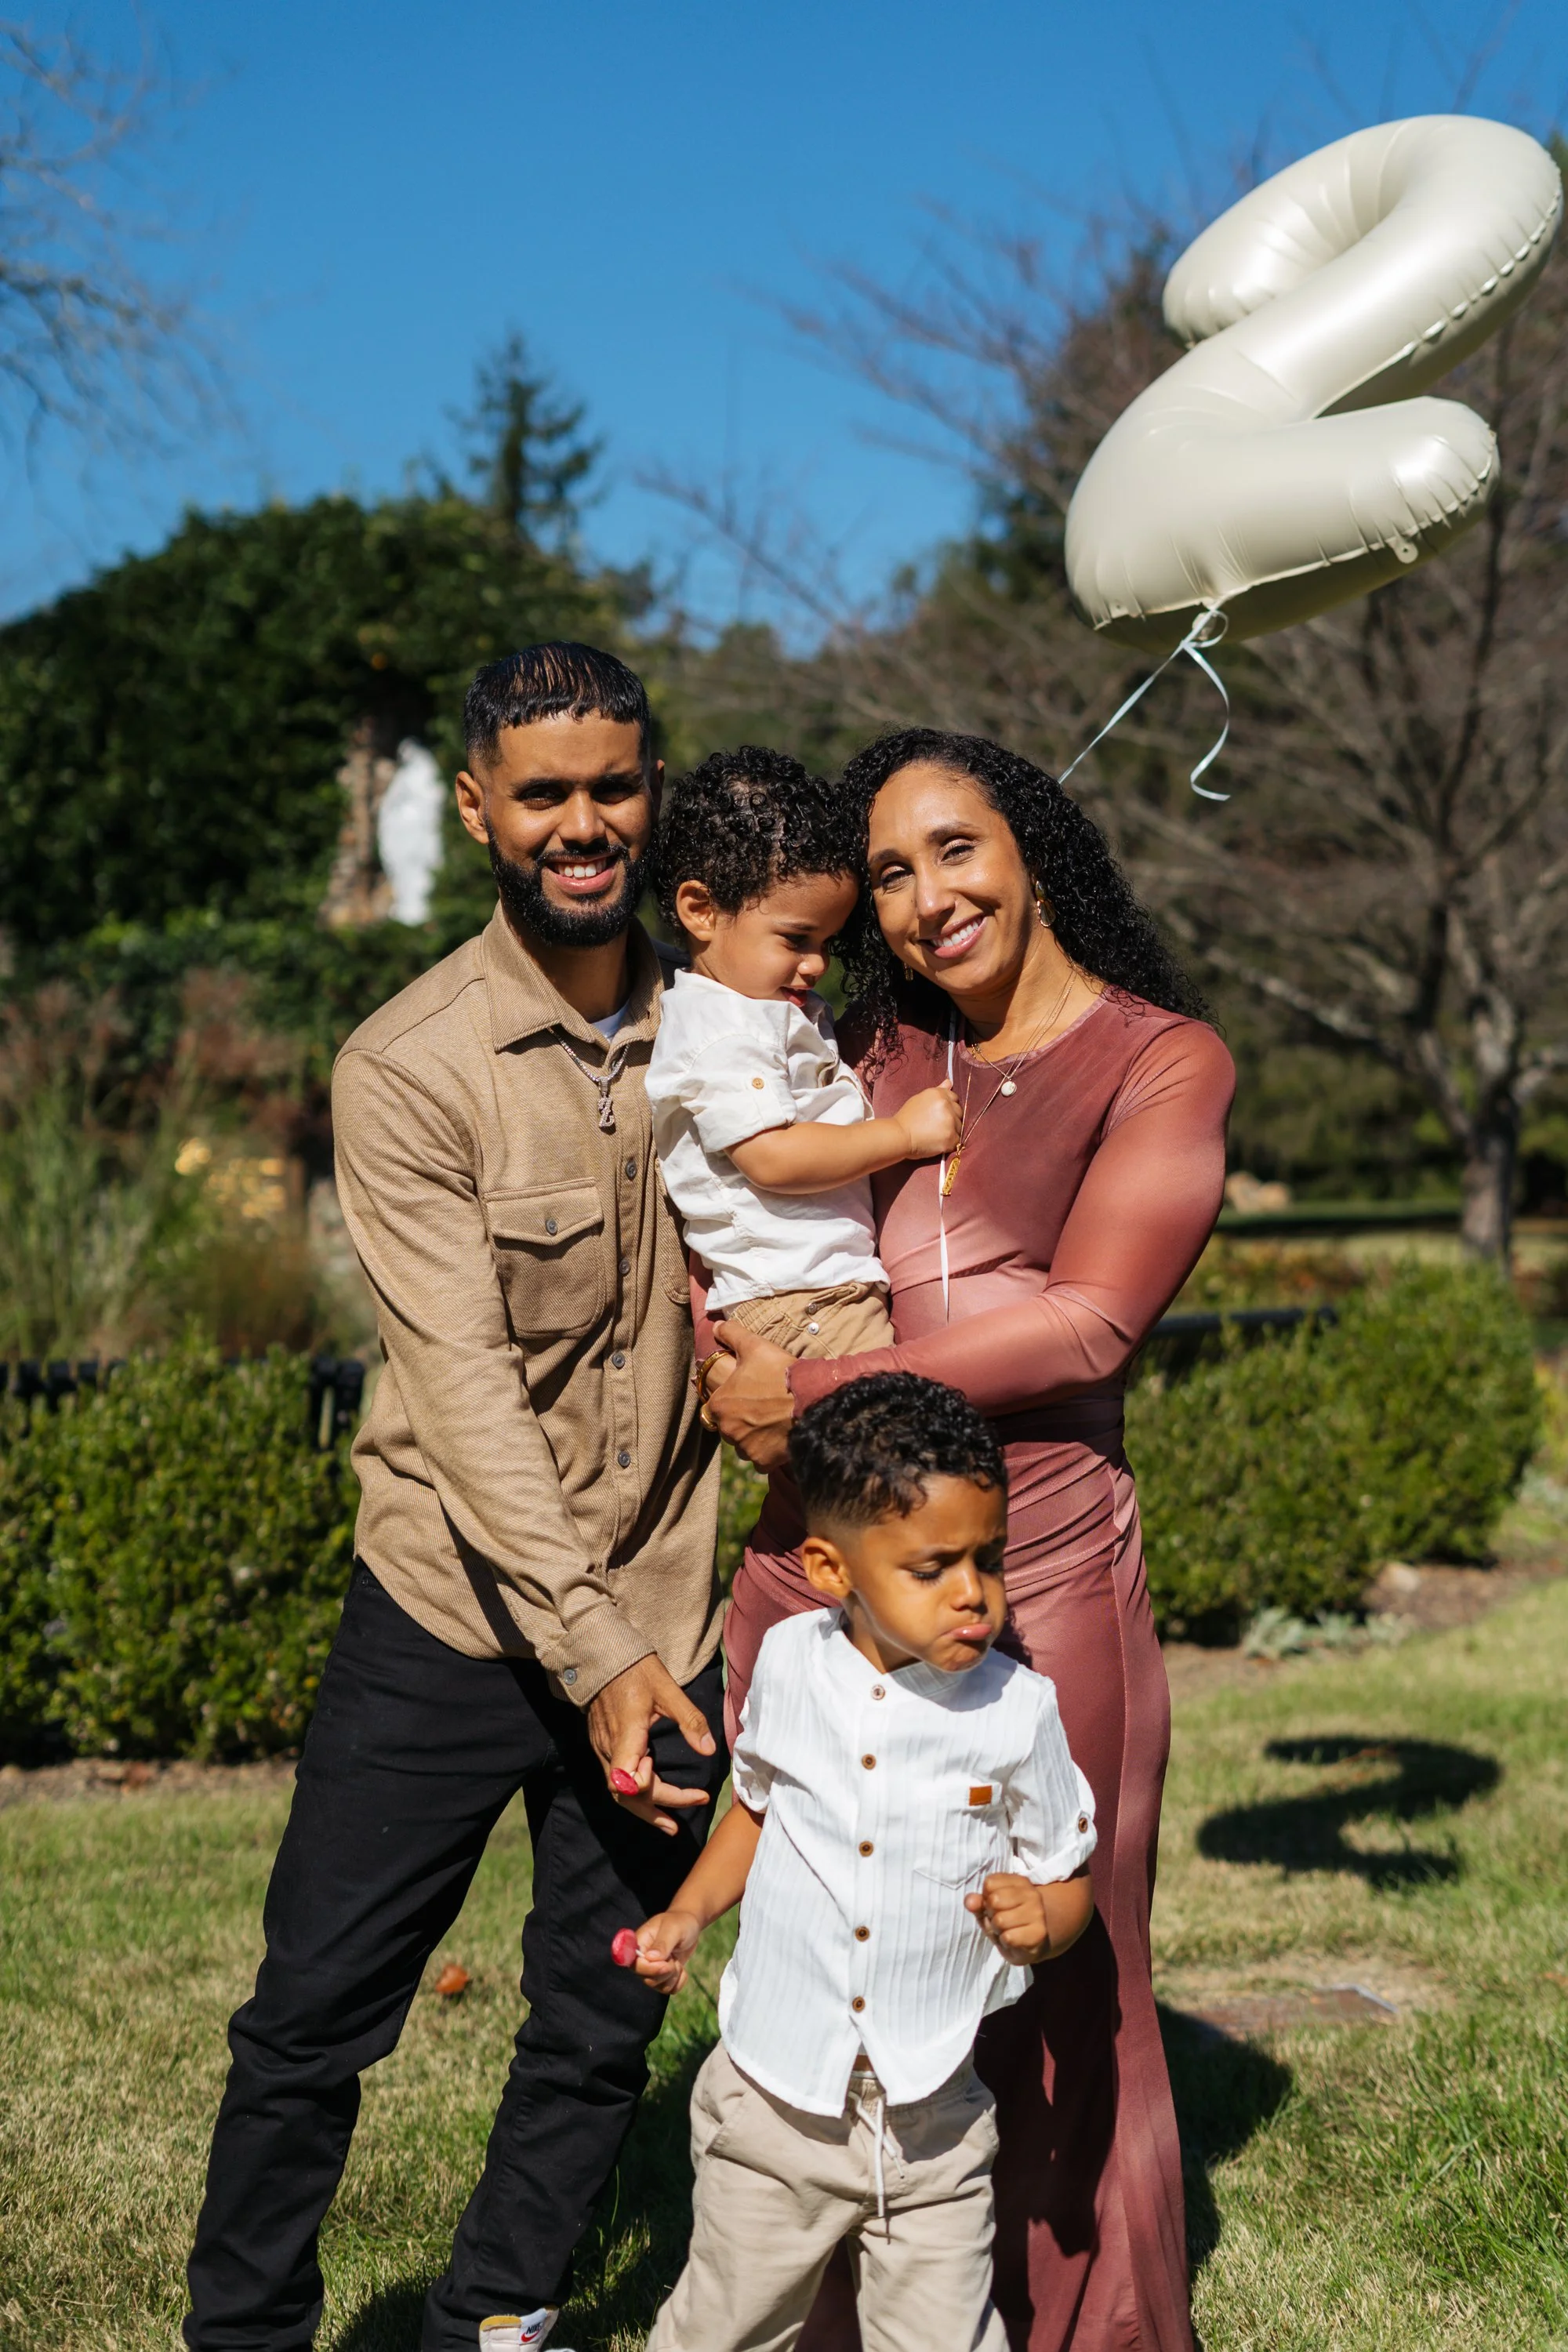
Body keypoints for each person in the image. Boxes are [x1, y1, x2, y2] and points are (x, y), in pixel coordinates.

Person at [183, 644, 730, 2352]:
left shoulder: (740, 1031)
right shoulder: (408, 1064)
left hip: (671, 1600)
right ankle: (247, 2334)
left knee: (600, 2014)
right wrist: (598, 1654)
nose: (585, 824)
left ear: (655, 791)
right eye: (545, 793)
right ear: (482, 808)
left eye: (616, 786)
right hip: (453, 1614)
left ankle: (494, 2317)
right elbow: (469, 1398)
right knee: (313, 2021)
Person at [703, 729, 1235, 2352]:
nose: (929, 898)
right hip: (815, 1574)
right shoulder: (863, 1050)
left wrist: (819, 1385)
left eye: (956, 848)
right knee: (840, 1957)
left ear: (1035, 845)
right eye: (888, 871)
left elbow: (1083, 1327)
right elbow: (725, 1180)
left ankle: (1092, 2327)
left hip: (1040, 1574)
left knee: (1062, 1982)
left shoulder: (1162, 1061)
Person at [629, 1372, 1096, 2352]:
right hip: (774, 2108)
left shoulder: (1018, 1713)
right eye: (931, 1569)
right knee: (721, 2325)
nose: (972, 1593)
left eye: (989, 1559)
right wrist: (687, 1912)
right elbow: (757, 1812)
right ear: (831, 1570)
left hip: (931, 2120)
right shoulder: (794, 1662)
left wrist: (1045, 1920)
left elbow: (1069, 1875)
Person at [644, 746, 960, 1369]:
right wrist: (900, 1134)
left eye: (826, 942)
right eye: (795, 939)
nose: (816, 963)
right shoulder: (721, 1029)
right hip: (799, 1298)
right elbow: (772, 1157)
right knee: (890, 1443)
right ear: (701, 911)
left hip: (817, 1291)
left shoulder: (764, 1005)